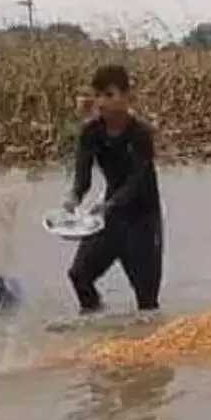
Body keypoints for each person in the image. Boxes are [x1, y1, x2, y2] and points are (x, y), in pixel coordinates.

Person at [63, 63, 164, 314]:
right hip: (110, 218)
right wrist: (73, 198)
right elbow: (83, 179)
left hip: (142, 220)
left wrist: (111, 204)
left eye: (109, 95)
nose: (101, 102)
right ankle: (96, 319)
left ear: (127, 96)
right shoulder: (90, 132)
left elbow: (138, 181)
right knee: (79, 276)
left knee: (147, 302)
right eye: (97, 95)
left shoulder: (140, 134)